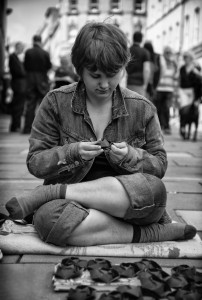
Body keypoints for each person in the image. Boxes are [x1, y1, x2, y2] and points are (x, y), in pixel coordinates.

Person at [5, 22, 196, 247]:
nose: (105, 84)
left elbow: (160, 165)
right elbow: (35, 162)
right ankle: (149, 233)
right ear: (79, 69)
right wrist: (71, 152)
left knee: (155, 192)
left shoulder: (141, 107)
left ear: (123, 67)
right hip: (76, 208)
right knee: (49, 220)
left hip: (124, 201)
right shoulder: (55, 102)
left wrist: (131, 156)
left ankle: (53, 193)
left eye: (112, 74)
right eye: (95, 75)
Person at [22, 35, 52, 134]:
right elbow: (49, 66)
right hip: (42, 80)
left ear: (33, 41)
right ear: (40, 41)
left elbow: (25, 66)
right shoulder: (45, 53)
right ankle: (43, 130)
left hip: (30, 80)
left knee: (30, 104)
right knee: (43, 105)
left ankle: (27, 128)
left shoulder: (28, 52)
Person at [154, 46, 177, 135]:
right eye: (166, 52)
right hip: (159, 88)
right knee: (158, 108)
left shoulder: (174, 63)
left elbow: (176, 76)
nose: (168, 54)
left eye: (169, 52)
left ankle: (167, 126)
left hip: (169, 89)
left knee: (166, 108)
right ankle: (159, 127)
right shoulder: (160, 61)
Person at [8, 42, 26, 132]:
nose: (22, 50)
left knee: (19, 107)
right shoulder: (13, 57)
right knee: (18, 106)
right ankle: (15, 126)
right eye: (22, 48)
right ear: (18, 47)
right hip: (19, 85)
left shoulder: (16, 58)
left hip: (19, 85)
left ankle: (16, 126)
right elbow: (19, 72)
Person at [126, 31, 150, 97]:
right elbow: (146, 69)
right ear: (141, 40)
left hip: (128, 82)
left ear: (133, 38)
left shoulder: (127, 50)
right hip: (140, 84)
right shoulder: (145, 52)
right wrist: (145, 84)